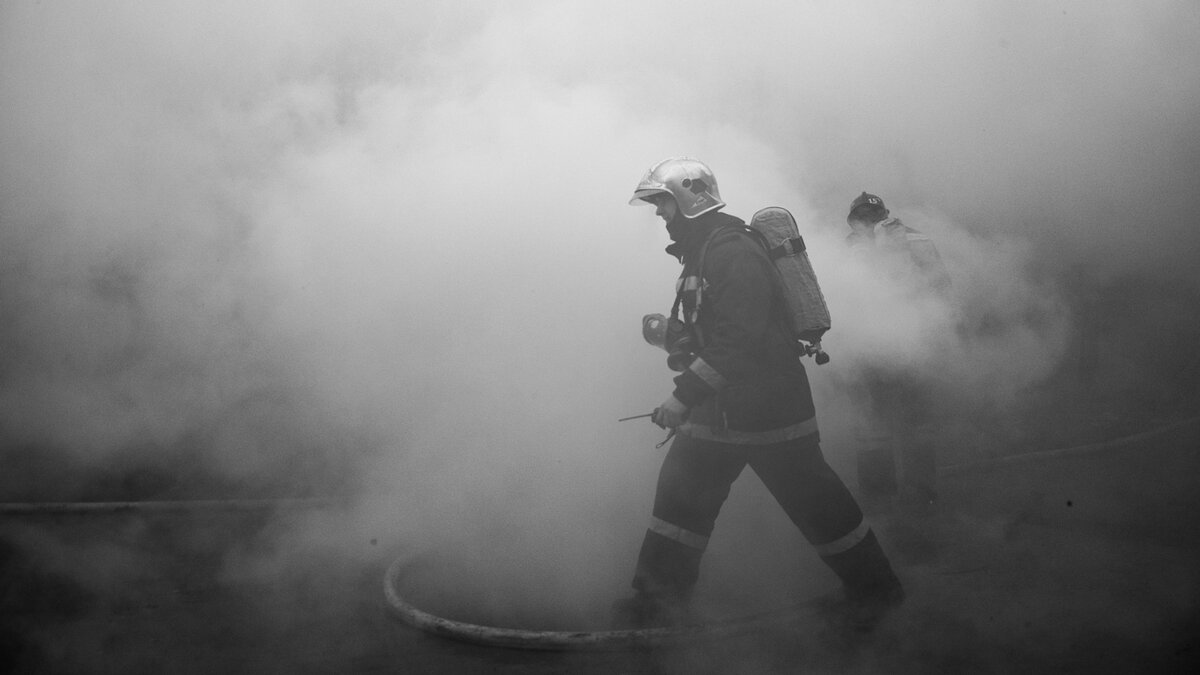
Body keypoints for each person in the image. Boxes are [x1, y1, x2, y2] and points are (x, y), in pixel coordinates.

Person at [613, 158, 903, 630]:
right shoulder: (704, 250)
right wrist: (677, 337)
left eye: (662, 202)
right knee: (679, 502)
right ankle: (655, 608)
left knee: (819, 507)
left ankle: (878, 593)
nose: (658, 213)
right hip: (722, 414)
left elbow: (740, 340)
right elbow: (719, 332)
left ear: (688, 198)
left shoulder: (732, 251)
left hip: (769, 415)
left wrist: (682, 397)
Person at [844, 192, 950, 512]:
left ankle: (880, 499)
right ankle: (922, 495)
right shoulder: (918, 239)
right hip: (913, 345)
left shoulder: (848, 247)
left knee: (873, 426)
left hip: (870, 348)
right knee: (915, 425)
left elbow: (839, 300)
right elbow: (942, 289)